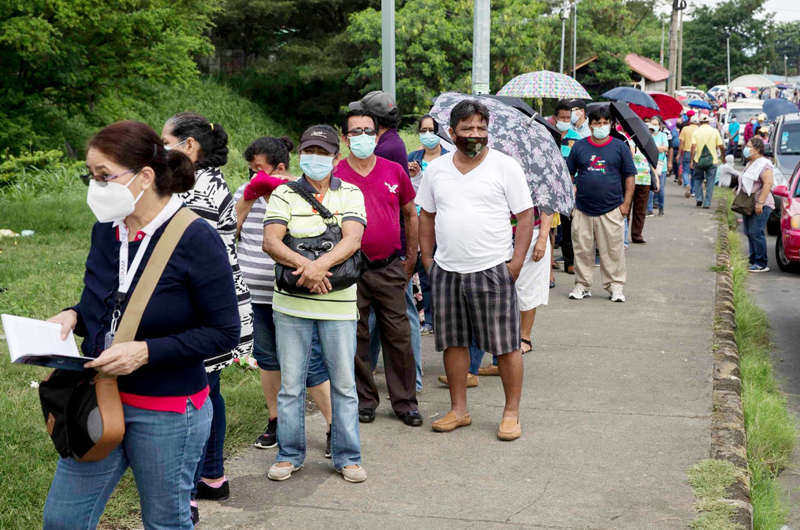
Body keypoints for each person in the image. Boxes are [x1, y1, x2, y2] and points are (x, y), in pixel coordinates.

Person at [43, 120, 241, 529]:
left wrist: (146, 352)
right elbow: (103, 303)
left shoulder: (196, 238)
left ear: (145, 176)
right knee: (63, 519)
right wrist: (74, 315)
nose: (95, 187)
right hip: (99, 398)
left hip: (167, 411)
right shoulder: (107, 231)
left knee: (165, 522)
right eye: (91, 177)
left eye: (104, 177)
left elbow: (224, 332)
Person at [417, 99, 534, 441]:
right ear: (451, 133)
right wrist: (428, 260)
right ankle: (458, 409)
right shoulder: (437, 169)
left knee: (506, 345)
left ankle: (511, 413)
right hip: (447, 270)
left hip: (493, 269)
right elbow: (426, 214)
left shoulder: (505, 166)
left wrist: (514, 264)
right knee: (453, 343)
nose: (475, 134)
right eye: (467, 129)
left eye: (482, 128)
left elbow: (525, 216)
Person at [262, 125, 367, 483]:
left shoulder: (351, 193)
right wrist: (309, 267)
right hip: (291, 305)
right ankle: (289, 454)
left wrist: (316, 266)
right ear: (300, 155)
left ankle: (347, 456)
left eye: (323, 153)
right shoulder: (283, 195)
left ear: (336, 158)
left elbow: (353, 239)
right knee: (291, 385)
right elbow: (272, 241)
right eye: (309, 151)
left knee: (344, 384)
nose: (315, 159)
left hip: (338, 306)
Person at [161, 112, 253, 510]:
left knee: (197, 397)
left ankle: (197, 484)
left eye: (165, 141)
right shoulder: (203, 183)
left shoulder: (197, 190)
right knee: (207, 392)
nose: (158, 148)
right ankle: (212, 477)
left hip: (206, 308)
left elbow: (185, 257)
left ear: (189, 146)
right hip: (215, 302)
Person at [231, 136, 334, 458]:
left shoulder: (304, 193)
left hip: (293, 292)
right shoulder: (244, 192)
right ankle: (276, 419)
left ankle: (334, 426)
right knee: (267, 359)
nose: (254, 176)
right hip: (256, 294)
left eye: (259, 170)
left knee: (311, 362)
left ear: (279, 168)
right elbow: (230, 228)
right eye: (250, 171)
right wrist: (249, 196)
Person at [335, 108, 422, 426]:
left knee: (399, 336)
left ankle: (405, 403)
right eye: (355, 131)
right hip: (350, 269)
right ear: (345, 139)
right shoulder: (336, 175)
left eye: (367, 131)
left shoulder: (393, 171)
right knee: (355, 338)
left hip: (389, 267)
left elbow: (411, 214)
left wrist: (410, 259)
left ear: (377, 134)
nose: (362, 137)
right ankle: (364, 400)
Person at [350, 91, 425, 394]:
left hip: (393, 254)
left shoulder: (389, 148)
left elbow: (405, 206)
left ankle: (412, 380)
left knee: (401, 319)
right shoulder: (388, 142)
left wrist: (410, 255)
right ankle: (370, 375)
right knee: (378, 321)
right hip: (379, 255)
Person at [566, 105, 636, 303]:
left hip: (612, 208)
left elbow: (630, 176)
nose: (602, 126)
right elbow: (569, 174)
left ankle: (615, 287)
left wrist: (626, 205)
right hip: (582, 208)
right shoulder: (579, 147)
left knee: (613, 250)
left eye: (606, 123)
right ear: (590, 124)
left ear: (611, 124)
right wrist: (570, 195)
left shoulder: (620, 146)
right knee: (582, 249)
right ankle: (582, 284)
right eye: (598, 123)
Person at [408, 115, 449, 336]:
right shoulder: (412, 157)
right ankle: (428, 318)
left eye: (431, 130)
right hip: (417, 222)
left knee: (440, 269)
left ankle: (443, 316)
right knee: (423, 271)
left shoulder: (450, 158)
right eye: (423, 130)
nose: (427, 134)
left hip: (441, 223)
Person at [738, 137, 775, 273]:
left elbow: (768, 183)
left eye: (749, 146)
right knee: (748, 232)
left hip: (761, 204)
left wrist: (760, 202)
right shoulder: (751, 163)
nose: (746, 149)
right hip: (748, 203)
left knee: (756, 232)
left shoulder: (764, 164)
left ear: (757, 149)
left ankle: (761, 262)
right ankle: (753, 259)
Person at [555, 99, 583, 274]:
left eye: (568, 117)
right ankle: (548, 259)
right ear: (555, 117)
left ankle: (569, 261)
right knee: (548, 226)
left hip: (568, 187)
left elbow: (581, 164)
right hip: (549, 186)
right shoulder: (547, 134)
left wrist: (575, 184)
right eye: (562, 117)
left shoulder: (577, 138)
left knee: (568, 226)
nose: (565, 120)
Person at [690, 113, 725, 209]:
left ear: (700, 122)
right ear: (709, 122)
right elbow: (721, 146)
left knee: (697, 179)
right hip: (712, 160)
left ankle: (699, 198)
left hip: (698, 159)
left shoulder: (696, 132)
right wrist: (723, 157)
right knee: (710, 182)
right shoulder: (715, 131)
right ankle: (707, 203)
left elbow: (693, 146)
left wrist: (691, 160)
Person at [647, 118, 669, 217]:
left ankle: (661, 207)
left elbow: (665, 148)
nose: (654, 126)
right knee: (650, 187)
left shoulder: (663, 135)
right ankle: (649, 209)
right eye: (652, 124)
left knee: (661, 188)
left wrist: (654, 148)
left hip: (661, 165)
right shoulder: (647, 135)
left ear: (660, 126)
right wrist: (658, 147)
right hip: (650, 164)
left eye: (656, 124)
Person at [678, 114, 699, 197]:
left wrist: (679, 154)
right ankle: (693, 190)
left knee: (685, 171)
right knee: (695, 172)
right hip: (697, 153)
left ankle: (687, 183)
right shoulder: (700, 130)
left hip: (687, 152)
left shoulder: (685, 129)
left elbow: (681, 142)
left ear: (690, 121)